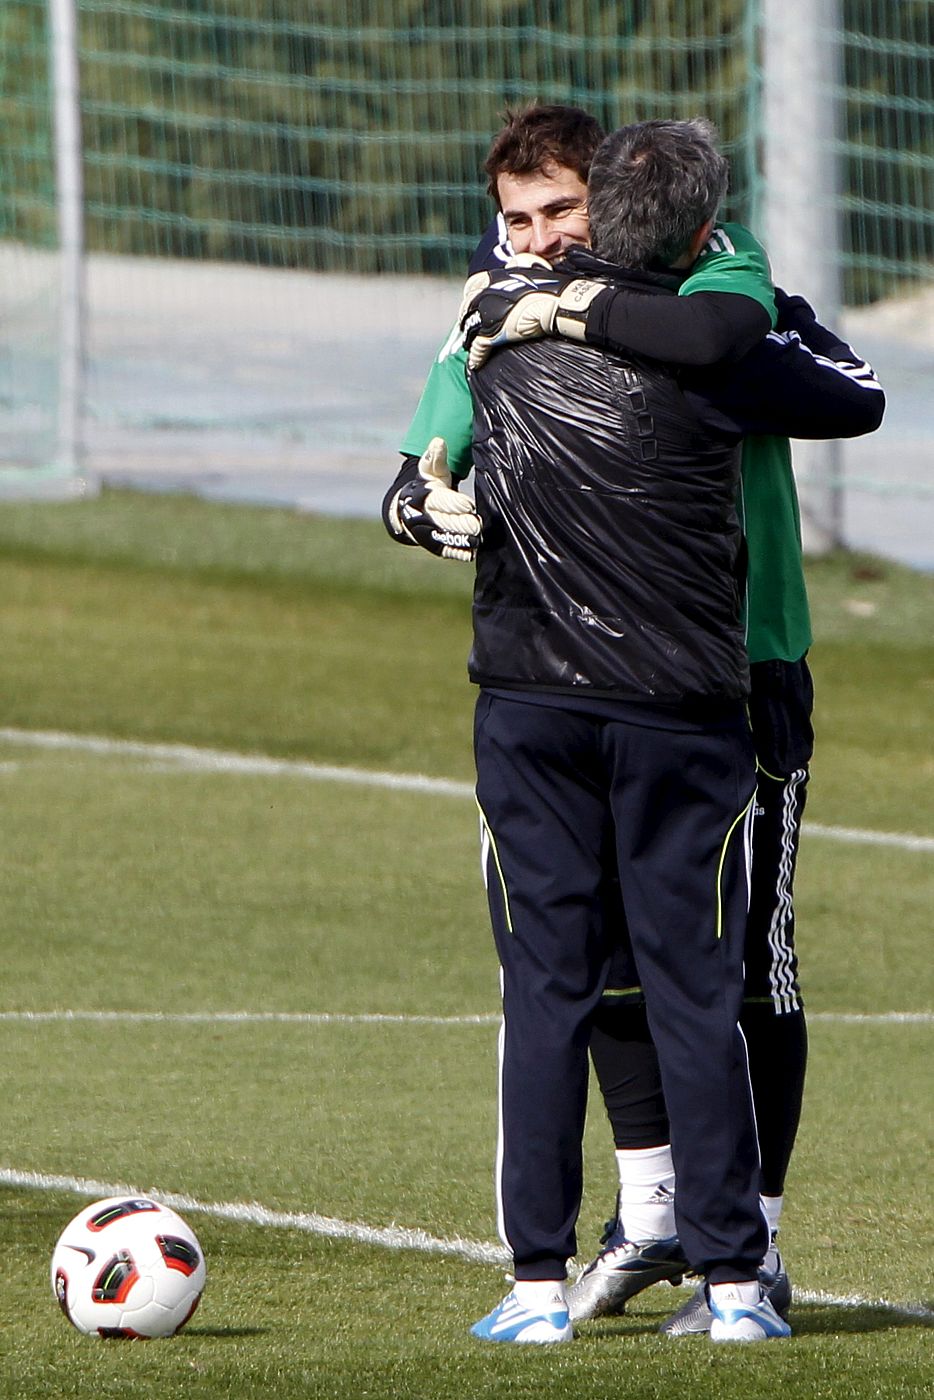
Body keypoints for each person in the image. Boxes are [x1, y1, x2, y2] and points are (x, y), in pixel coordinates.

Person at [384, 105, 884, 1336]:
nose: (538, 238)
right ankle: (656, 1208)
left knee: (740, 968)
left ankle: (750, 1239)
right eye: (516, 220)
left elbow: (831, 388)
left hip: (741, 663)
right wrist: (416, 493)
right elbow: (436, 427)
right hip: (590, 678)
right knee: (602, 961)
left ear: (610, 200)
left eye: (561, 210)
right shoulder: (501, 292)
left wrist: (569, 308)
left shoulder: (718, 275)